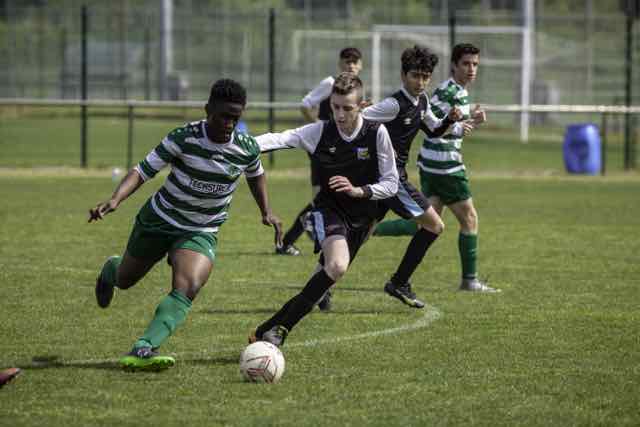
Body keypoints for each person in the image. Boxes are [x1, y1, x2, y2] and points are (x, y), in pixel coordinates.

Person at [89, 78, 283, 371]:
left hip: (201, 229)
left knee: (190, 284)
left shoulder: (246, 147)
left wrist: (266, 211)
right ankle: (111, 271)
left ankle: (144, 347)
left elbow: (256, 174)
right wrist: (115, 199)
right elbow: (143, 170)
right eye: (223, 116)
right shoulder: (183, 138)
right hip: (159, 220)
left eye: (235, 117)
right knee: (126, 280)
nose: (229, 124)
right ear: (207, 109)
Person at [250, 72, 398, 347]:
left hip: (363, 219)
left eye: (347, 108)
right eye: (335, 107)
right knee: (337, 266)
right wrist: (239, 144)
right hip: (329, 210)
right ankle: (278, 331)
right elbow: (281, 138)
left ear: (362, 105)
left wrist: (360, 190)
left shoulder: (377, 133)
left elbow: (392, 183)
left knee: (322, 283)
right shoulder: (320, 131)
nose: (339, 115)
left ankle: (265, 330)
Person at [375, 43, 498, 293]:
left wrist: (469, 121)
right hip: (444, 165)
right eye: (466, 63)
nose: (471, 69)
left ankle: (368, 230)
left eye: (475, 64)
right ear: (454, 65)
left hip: (431, 164)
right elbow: (433, 125)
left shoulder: (454, 92)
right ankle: (469, 280)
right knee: (469, 218)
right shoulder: (447, 91)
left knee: (424, 222)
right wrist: (459, 121)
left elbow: (442, 124)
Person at [361, 45, 464, 308]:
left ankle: (324, 285)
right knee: (435, 226)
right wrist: (357, 112)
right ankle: (399, 282)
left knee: (360, 234)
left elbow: (433, 130)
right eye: (415, 75)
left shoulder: (423, 101)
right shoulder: (394, 104)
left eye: (425, 76)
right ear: (403, 75)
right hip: (391, 178)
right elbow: (357, 120)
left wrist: (449, 120)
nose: (420, 82)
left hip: (386, 177)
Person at [277, 47, 364, 311]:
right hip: (326, 152)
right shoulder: (329, 84)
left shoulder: (356, 90)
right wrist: (317, 128)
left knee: (328, 206)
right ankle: (294, 246)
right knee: (322, 203)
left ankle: (295, 245)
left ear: (360, 65)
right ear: (339, 63)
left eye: (355, 62)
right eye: (347, 61)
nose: (351, 66)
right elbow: (305, 104)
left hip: (346, 156)